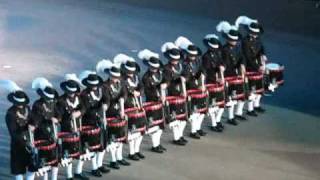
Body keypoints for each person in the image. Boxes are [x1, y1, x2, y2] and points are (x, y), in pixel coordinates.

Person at [96, 57, 130, 170]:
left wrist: (122, 103)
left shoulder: (120, 84)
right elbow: (106, 99)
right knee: (108, 140)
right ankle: (102, 163)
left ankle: (118, 158)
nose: (116, 79)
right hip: (108, 113)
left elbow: (124, 94)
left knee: (119, 138)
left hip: (117, 113)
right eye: (114, 77)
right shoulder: (104, 86)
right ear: (110, 76)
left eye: (117, 77)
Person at [1, 80, 37, 180]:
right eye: (19, 103)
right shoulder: (10, 113)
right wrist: (25, 142)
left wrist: (33, 125)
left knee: (32, 167)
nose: (21, 105)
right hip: (18, 144)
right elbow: (13, 133)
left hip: (31, 141)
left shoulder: (27, 108)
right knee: (19, 169)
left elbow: (34, 119)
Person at [56, 74, 90, 180]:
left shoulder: (79, 98)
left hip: (79, 126)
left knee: (82, 151)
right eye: (70, 92)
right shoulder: (61, 101)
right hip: (67, 129)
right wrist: (67, 116)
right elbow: (59, 115)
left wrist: (79, 112)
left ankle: (78, 171)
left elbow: (84, 108)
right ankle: (69, 175)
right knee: (69, 153)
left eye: (73, 93)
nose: (72, 94)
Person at [175, 36, 207, 139]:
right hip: (187, 88)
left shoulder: (196, 61)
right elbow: (185, 76)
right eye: (191, 55)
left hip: (196, 87)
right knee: (192, 112)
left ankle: (197, 128)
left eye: (194, 55)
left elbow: (201, 69)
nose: (193, 57)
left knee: (200, 111)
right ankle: (193, 131)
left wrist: (202, 79)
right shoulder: (183, 63)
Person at [116, 54, 147, 161]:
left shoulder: (136, 77)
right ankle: (131, 152)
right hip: (128, 106)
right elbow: (123, 92)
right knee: (131, 131)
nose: (130, 74)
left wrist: (139, 92)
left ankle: (136, 150)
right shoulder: (122, 80)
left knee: (140, 131)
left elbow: (142, 87)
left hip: (138, 104)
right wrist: (131, 92)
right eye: (128, 72)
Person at [79, 71, 110, 177]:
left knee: (102, 144)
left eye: (95, 85)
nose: (94, 87)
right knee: (92, 146)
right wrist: (99, 113)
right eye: (92, 85)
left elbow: (106, 98)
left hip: (100, 119)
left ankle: (99, 164)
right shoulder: (84, 94)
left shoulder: (101, 89)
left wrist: (106, 104)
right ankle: (94, 168)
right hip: (89, 121)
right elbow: (87, 109)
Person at [216, 21, 247, 126]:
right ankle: (219, 120)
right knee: (227, 99)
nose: (234, 41)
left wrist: (242, 66)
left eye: (235, 40)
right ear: (228, 39)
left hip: (235, 75)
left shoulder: (238, 48)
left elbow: (241, 58)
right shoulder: (224, 49)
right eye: (232, 40)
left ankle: (231, 116)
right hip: (227, 75)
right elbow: (222, 62)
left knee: (233, 97)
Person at [235, 15, 266, 115]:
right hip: (248, 66)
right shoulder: (245, 41)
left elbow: (261, 48)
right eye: (254, 33)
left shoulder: (257, 39)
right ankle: (249, 109)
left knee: (258, 88)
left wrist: (263, 55)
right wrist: (258, 67)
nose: (256, 35)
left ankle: (256, 105)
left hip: (257, 65)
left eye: (256, 33)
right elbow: (247, 57)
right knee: (251, 89)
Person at [31, 77, 60, 180]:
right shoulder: (37, 104)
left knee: (54, 159)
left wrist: (57, 119)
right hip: (41, 134)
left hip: (52, 132)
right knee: (43, 159)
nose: (50, 100)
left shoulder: (52, 103)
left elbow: (58, 114)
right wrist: (47, 119)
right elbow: (36, 119)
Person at [139, 49, 167, 153]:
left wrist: (164, 86)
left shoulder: (159, 74)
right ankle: (155, 145)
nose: (155, 69)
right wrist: (158, 95)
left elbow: (164, 81)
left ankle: (157, 144)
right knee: (154, 125)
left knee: (160, 126)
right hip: (152, 102)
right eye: (153, 67)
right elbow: (148, 91)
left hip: (159, 101)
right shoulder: (146, 77)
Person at [161, 42, 188, 146]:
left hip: (181, 93)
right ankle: (176, 137)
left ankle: (180, 135)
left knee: (183, 118)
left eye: (177, 59)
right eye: (174, 59)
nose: (175, 61)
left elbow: (186, 74)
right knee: (175, 118)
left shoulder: (180, 66)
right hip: (172, 93)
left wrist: (184, 79)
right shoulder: (166, 68)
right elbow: (167, 81)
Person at [202, 34, 225, 132]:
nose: (214, 50)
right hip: (210, 82)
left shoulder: (217, 54)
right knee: (212, 104)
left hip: (217, 81)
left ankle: (218, 120)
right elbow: (206, 71)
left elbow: (221, 62)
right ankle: (214, 123)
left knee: (221, 104)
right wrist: (216, 78)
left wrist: (222, 67)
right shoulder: (206, 57)